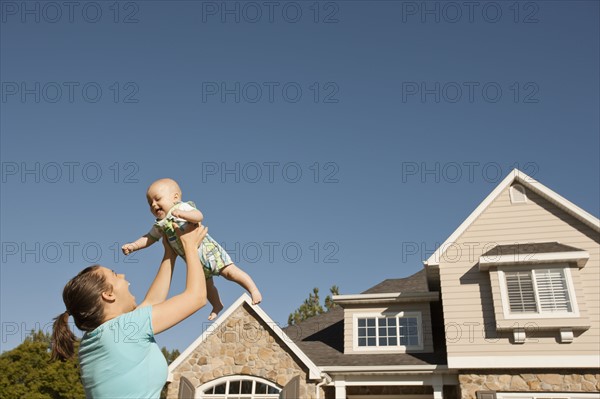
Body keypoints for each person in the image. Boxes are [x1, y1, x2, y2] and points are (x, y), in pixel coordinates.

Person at [51, 223, 208, 399]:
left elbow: (152, 302)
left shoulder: (99, 337)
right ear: (109, 294)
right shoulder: (125, 329)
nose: (123, 276)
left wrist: (169, 252)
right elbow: (197, 297)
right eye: (115, 274)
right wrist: (190, 247)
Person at [122, 178, 262, 320]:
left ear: (175, 197)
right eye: (150, 203)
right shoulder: (160, 225)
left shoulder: (181, 208)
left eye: (157, 199)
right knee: (207, 287)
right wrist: (133, 246)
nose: (154, 204)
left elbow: (198, 216)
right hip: (195, 262)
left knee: (231, 273)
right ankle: (217, 304)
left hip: (210, 253)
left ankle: (253, 289)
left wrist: (184, 215)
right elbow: (149, 238)